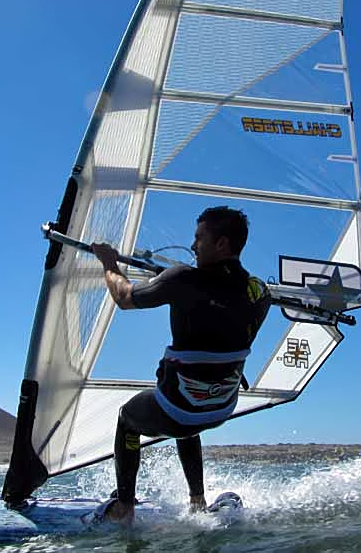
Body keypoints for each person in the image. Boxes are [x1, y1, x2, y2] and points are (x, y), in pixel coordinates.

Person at [90, 206, 271, 525]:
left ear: (222, 245)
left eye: (199, 238)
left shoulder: (184, 278)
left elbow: (125, 296)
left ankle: (124, 507)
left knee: (128, 420)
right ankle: (197, 501)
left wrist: (108, 261)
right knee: (188, 425)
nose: (192, 245)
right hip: (220, 407)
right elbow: (230, 333)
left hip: (178, 407)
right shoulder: (260, 292)